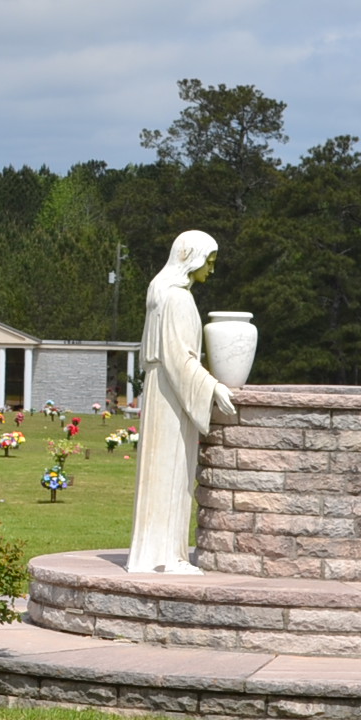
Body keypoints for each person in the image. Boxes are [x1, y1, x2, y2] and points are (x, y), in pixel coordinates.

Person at [127, 231, 238, 573]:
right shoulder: (175, 298)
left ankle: (160, 552)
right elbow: (179, 359)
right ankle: (165, 557)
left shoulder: (164, 293)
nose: (212, 270)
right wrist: (213, 387)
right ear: (192, 257)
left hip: (166, 391)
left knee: (168, 471)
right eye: (210, 262)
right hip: (172, 395)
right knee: (171, 470)